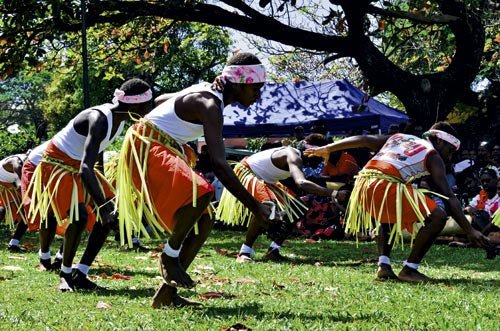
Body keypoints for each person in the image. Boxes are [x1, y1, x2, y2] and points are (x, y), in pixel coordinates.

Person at [114, 52, 272, 308]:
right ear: (241, 83)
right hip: (146, 144)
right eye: (256, 88)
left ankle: (166, 295)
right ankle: (168, 256)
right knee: (202, 191)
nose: (258, 95)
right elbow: (220, 165)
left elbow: (163, 99)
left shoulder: (211, 96)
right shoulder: (210, 104)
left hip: (157, 143)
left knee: (204, 221)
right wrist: (255, 206)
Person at [305, 121, 488, 282]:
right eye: (449, 151)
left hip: (363, 185)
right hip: (385, 183)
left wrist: (329, 148)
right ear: (439, 140)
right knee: (438, 216)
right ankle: (410, 269)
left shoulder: (400, 137)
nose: (449, 157)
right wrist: (469, 229)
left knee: (391, 213)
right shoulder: (433, 155)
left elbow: (364, 139)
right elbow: (448, 196)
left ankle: (383, 266)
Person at [27, 78, 152, 291]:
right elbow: (86, 167)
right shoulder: (100, 119)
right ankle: (65, 275)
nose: (149, 110)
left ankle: (81, 272)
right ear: (136, 105)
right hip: (57, 164)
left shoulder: (120, 118)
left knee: (114, 211)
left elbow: (95, 154)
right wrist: (102, 206)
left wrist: (105, 201)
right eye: (147, 105)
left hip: (79, 166)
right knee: (81, 215)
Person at [216, 145, 349, 262]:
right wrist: (335, 194)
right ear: (310, 152)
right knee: (267, 207)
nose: (323, 162)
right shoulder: (294, 156)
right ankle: (245, 251)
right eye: (322, 157)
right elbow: (302, 183)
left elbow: (304, 182)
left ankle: (273, 250)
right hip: (248, 171)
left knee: (297, 207)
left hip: (266, 179)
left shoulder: (297, 160)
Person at [1, 152, 29, 252]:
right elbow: (20, 184)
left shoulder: (25, 163)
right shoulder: (16, 162)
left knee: (28, 212)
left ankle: (14, 244)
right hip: (3, 185)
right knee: (1, 210)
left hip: (10, 186)